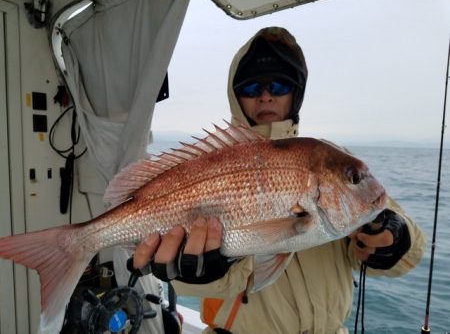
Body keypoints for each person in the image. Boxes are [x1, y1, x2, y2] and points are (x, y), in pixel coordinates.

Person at [133, 27, 426, 334]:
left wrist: (397, 236)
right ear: (236, 96)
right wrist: (199, 274)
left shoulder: (334, 160)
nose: (265, 95)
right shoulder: (214, 161)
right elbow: (200, 286)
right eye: (250, 88)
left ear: (296, 92)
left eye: (279, 84)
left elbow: (410, 253)